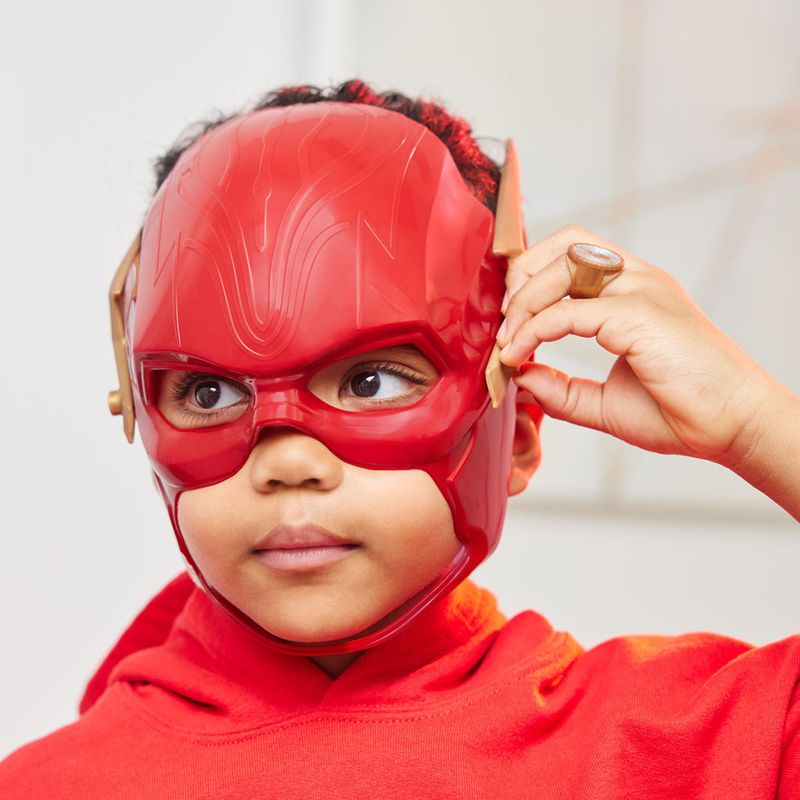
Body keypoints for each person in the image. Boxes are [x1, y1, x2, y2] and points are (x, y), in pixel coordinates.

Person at [1, 78, 798, 798]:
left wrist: (757, 422)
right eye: (209, 392)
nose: (288, 463)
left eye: (370, 380)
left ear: (516, 434)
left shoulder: (681, 749)